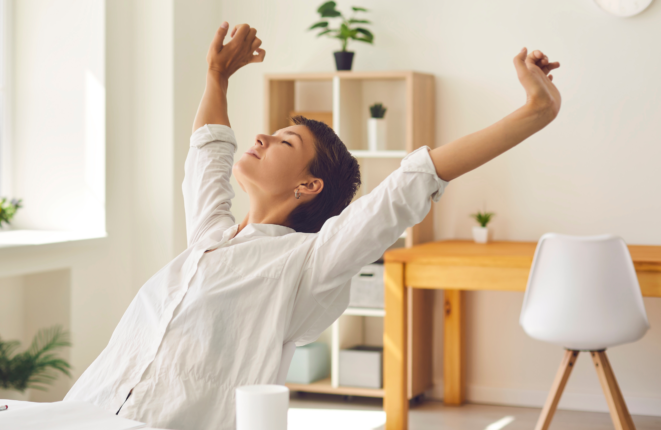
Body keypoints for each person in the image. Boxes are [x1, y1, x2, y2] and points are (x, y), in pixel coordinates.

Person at [64, 22, 561, 430]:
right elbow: (209, 153)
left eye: (284, 142)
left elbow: (414, 180)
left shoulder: (306, 263)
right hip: (83, 411)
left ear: (309, 186)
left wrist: (535, 113)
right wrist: (217, 76)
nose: (261, 136)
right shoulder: (209, 240)